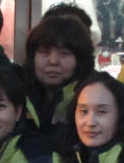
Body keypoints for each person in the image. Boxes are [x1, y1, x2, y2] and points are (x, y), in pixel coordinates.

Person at [23, 15, 93, 147]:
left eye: (64, 53)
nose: (53, 61)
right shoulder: (15, 93)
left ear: (80, 60)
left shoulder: (93, 96)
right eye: (45, 52)